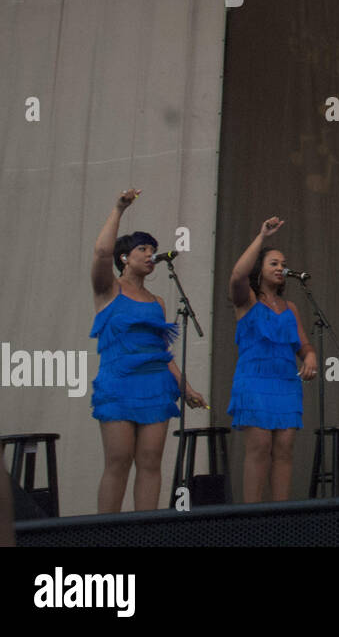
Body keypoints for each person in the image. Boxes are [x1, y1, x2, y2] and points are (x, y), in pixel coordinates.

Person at [90, 189, 204, 513]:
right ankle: (106, 535)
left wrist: (185, 388)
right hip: (119, 384)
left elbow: (161, 354)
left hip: (156, 386)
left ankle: (145, 533)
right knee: (118, 460)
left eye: (153, 249)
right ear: (124, 256)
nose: (150, 254)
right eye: (143, 248)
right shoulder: (108, 290)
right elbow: (100, 253)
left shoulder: (158, 302)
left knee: (151, 462)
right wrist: (118, 209)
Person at [227, 216, 317, 502]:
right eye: (273, 263)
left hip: (285, 382)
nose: (281, 268)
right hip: (254, 380)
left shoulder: (289, 307)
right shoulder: (248, 300)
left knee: (285, 448)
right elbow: (236, 276)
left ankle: (281, 514)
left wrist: (311, 356)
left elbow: (302, 344)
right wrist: (262, 236)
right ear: (260, 269)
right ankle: (251, 517)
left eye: (283, 263)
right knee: (259, 446)